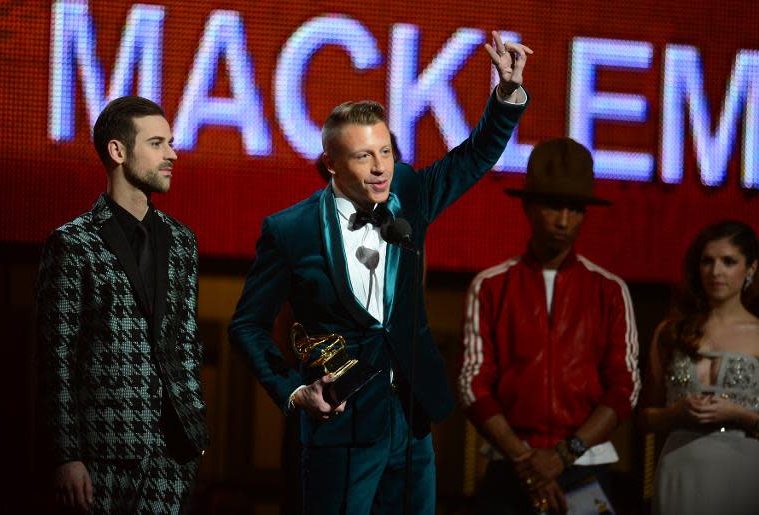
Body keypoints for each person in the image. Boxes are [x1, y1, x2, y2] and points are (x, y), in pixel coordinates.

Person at [229, 32, 531, 515]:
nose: (380, 168)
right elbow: (246, 325)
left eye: (386, 151)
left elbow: (472, 157)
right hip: (341, 426)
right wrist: (294, 391)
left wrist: (506, 95)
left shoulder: (408, 192)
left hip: (411, 418)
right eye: (363, 156)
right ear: (330, 163)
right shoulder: (291, 230)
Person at [35, 96, 209, 513]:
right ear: (118, 151)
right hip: (101, 456)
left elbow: (186, 342)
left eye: (170, 142)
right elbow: (55, 358)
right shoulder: (72, 243)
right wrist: (66, 455)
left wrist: (196, 429)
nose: (172, 154)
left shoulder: (182, 240)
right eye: (157, 143)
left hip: (172, 454)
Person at [458, 138, 640, 514]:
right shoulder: (491, 286)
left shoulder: (608, 290)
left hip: (585, 464)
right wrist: (525, 458)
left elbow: (625, 386)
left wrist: (562, 455)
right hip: (509, 465)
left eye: (575, 209)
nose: (563, 220)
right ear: (527, 206)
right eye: (553, 206)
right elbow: (473, 383)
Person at [638, 220, 759, 515]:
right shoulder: (672, 332)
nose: (716, 272)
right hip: (680, 466)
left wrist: (739, 414)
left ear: (751, 269)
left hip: (742, 471)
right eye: (708, 261)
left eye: (728, 262)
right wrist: (675, 414)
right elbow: (644, 417)